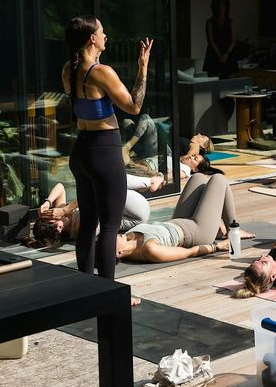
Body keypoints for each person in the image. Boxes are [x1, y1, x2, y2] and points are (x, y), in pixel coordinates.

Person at [62, 15, 152, 281]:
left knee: (88, 223)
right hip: (104, 151)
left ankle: (85, 287)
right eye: (102, 32)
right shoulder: (101, 72)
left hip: (81, 150)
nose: (105, 36)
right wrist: (143, 68)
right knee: (110, 226)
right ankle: (108, 292)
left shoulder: (69, 69)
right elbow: (134, 106)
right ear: (92, 39)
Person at [114, 172, 254, 263]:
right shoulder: (149, 250)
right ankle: (233, 230)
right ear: (119, 253)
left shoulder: (126, 236)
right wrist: (217, 247)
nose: (112, 237)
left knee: (197, 177)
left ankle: (219, 227)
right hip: (196, 232)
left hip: (178, 220)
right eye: (111, 242)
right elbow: (188, 252)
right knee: (219, 179)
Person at [30, 172, 163, 248]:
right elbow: (91, 195)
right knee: (107, 181)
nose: (55, 216)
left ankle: (148, 182)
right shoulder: (77, 227)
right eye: (53, 220)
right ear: (58, 230)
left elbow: (60, 187)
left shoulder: (64, 217)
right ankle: (149, 182)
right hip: (135, 215)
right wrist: (65, 210)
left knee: (107, 177)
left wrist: (48, 202)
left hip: (125, 207)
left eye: (51, 215)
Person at [203, 0, 236, 77]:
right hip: (214, 53)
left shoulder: (230, 22)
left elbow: (233, 40)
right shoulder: (210, 22)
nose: (221, 8)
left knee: (229, 80)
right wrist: (219, 55)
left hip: (227, 53)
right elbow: (211, 41)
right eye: (219, 5)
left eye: (223, 5)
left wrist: (226, 54)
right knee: (213, 79)